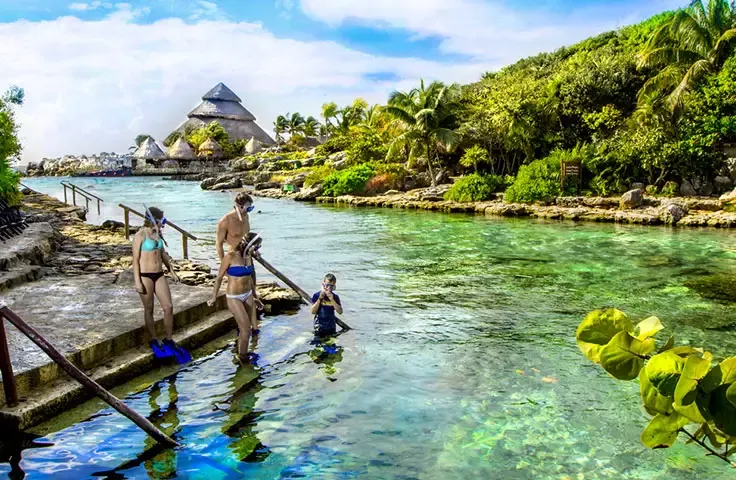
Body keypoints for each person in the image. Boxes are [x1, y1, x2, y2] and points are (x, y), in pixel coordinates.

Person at [132, 206, 190, 363]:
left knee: (168, 307)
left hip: (159, 275)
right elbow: (135, 260)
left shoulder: (157, 234)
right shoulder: (140, 235)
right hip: (145, 276)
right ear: (153, 219)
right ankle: (153, 339)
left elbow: (163, 254)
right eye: (162, 220)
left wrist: (172, 271)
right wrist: (137, 281)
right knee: (149, 308)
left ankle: (169, 339)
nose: (164, 223)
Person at [209, 232, 264, 362]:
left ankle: (242, 352)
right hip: (234, 297)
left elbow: (249, 278)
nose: (256, 250)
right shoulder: (230, 256)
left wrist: (255, 297)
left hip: (248, 295)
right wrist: (213, 297)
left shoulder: (249, 256)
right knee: (245, 330)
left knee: (247, 328)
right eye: (256, 247)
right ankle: (242, 358)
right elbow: (219, 278)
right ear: (248, 244)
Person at [216, 192, 254, 262]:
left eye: (251, 209)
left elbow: (247, 239)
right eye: (248, 209)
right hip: (233, 261)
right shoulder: (225, 221)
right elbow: (219, 244)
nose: (248, 212)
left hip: (248, 259)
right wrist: (223, 263)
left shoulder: (246, 217)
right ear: (239, 206)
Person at [310, 273, 343, 337]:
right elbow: (313, 312)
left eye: (332, 286)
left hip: (331, 328)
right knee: (318, 346)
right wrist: (320, 298)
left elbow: (340, 312)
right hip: (319, 328)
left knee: (331, 345)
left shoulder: (335, 297)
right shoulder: (317, 295)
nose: (329, 288)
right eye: (327, 285)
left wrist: (332, 300)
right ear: (323, 285)